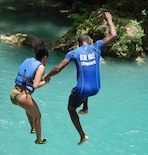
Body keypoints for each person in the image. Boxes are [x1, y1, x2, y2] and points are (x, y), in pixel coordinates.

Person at [44, 11, 117, 145]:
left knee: (71, 108)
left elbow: (58, 68)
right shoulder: (96, 47)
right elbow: (113, 34)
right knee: (83, 82)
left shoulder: (74, 53)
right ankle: (85, 108)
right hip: (96, 88)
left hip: (84, 89)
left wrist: (47, 76)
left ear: (78, 44)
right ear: (89, 42)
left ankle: (83, 135)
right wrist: (109, 19)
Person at [10, 39, 49, 145]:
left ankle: (33, 128)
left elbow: (26, 77)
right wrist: (45, 81)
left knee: (29, 108)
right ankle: (39, 139)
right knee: (38, 116)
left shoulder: (28, 60)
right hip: (21, 96)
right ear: (45, 57)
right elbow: (35, 85)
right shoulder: (40, 67)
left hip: (14, 92)